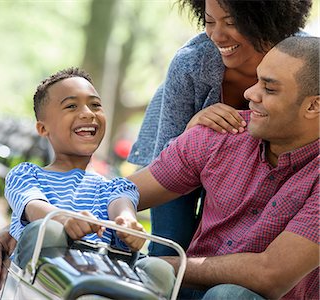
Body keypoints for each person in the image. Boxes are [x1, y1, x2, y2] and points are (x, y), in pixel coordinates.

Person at [0, 36, 319, 299]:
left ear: (314, 105)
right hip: (183, 291)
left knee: (230, 295)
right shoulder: (223, 135)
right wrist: (25, 225)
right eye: (257, 81)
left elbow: (271, 274)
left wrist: (158, 264)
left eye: (269, 88)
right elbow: (104, 198)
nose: (249, 94)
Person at [127, 0, 313, 256]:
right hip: (183, 149)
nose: (217, 35)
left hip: (254, 171)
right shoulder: (192, 62)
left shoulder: (300, 58)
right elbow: (167, 163)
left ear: (264, 18)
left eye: (231, 22)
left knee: (232, 253)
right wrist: (192, 131)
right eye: (209, 22)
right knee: (168, 245)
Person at [2, 67, 175, 298]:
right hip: (44, 281)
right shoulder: (26, 175)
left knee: (159, 269)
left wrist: (127, 223)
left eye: (95, 105)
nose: (88, 113)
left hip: (107, 275)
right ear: (43, 128)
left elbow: (122, 205)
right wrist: (65, 219)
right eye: (71, 106)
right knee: (48, 230)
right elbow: (34, 207)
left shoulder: (113, 186)